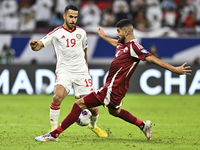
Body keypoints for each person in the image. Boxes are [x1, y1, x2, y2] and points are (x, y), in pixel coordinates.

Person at [34, 19, 192, 141]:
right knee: (114, 111)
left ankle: (54, 134)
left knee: (79, 104)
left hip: (112, 88)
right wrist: (103, 37)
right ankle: (143, 125)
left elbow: (152, 59)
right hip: (118, 89)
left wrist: (175, 69)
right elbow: (117, 43)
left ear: (126, 32)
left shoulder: (135, 47)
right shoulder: (124, 44)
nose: (117, 35)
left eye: (118, 32)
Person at [29, 4, 108, 140]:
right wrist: (34, 46)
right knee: (57, 97)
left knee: (93, 108)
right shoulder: (56, 33)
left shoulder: (82, 33)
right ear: (65, 16)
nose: (73, 20)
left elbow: (84, 52)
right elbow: (38, 46)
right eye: (71, 17)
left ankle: (93, 126)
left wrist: (85, 69)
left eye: (75, 17)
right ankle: (53, 132)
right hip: (64, 71)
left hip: (81, 72)